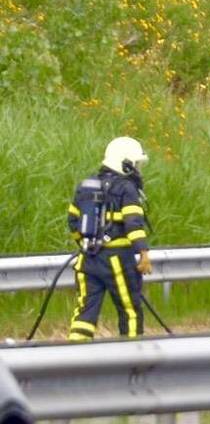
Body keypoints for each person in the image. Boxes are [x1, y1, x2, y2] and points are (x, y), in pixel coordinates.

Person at [66, 137, 153, 341]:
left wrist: (87, 244)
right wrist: (143, 253)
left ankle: (75, 358)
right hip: (117, 261)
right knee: (129, 309)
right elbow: (133, 224)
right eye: (136, 164)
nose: (138, 169)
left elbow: (72, 220)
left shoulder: (86, 185)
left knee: (85, 313)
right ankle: (133, 359)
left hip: (87, 259)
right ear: (126, 164)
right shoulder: (126, 189)